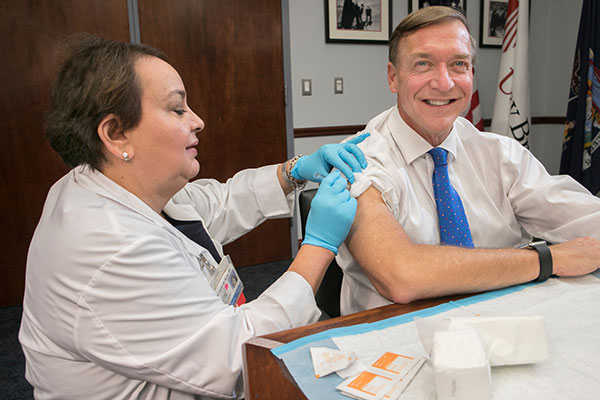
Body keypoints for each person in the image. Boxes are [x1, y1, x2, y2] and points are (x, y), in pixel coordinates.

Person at [18, 34, 369, 399]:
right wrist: (319, 246)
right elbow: (236, 357)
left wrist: (292, 171)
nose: (198, 121)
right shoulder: (109, 246)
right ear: (116, 133)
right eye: (177, 109)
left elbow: (216, 204)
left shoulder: (111, 183)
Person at [337, 6, 600, 315]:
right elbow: (402, 275)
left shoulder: (499, 153)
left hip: (500, 320)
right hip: (395, 332)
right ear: (393, 77)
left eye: (458, 64)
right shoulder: (357, 158)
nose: (444, 82)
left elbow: (583, 218)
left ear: (472, 74)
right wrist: (548, 259)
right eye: (423, 64)